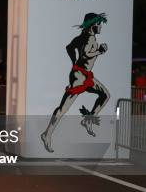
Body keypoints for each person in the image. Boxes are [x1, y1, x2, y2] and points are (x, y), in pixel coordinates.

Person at [41, 13, 110, 153]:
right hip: (79, 77)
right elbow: (85, 54)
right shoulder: (90, 38)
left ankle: (88, 120)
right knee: (63, 108)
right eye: (99, 24)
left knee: (105, 95)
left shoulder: (82, 37)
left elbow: (69, 47)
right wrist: (100, 51)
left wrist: (74, 62)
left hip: (84, 75)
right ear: (92, 25)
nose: (101, 27)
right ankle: (47, 134)